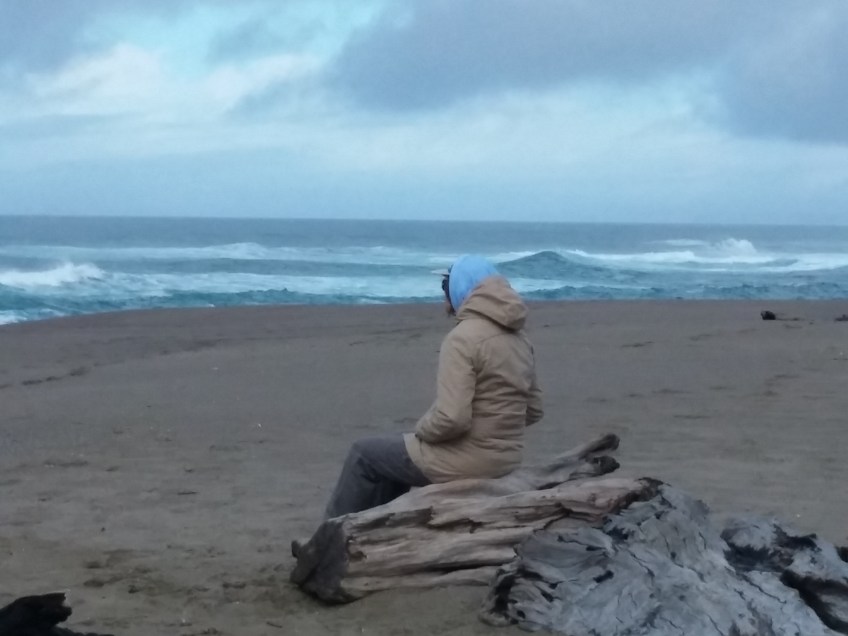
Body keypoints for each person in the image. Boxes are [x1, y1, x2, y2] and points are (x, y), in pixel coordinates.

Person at [323, 254, 543, 519]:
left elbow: (451, 418)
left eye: (446, 289)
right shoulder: (520, 340)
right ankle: (377, 526)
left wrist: (422, 430)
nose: (444, 300)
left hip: (468, 461)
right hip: (506, 459)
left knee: (364, 453)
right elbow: (533, 410)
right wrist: (497, 430)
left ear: (463, 290)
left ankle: (329, 535)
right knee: (393, 453)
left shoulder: (463, 338)